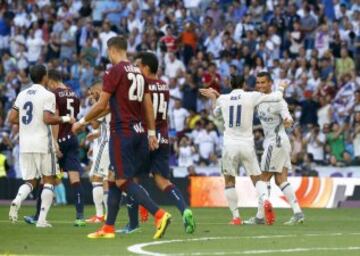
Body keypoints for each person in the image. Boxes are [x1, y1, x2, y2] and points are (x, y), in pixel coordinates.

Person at [72, 36, 171, 239]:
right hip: (139, 132)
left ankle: (159, 214)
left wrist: (81, 122)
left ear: (112, 50)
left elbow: (101, 104)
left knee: (122, 181)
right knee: (113, 177)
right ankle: (108, 227)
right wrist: (152, 132)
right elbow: (147, 105)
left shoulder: (114, 72)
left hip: (121, 133)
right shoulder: (138, 73)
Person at [119, 51, 195, 234]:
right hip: (163, 136)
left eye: (138, 66)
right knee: (163, 181)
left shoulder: (141, 86)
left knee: (132, 181)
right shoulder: (164, 86)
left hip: (146, 136)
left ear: (145, 67)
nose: (136, 69)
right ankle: (184, 209)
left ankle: (133, 224)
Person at [199, 75, 288, 225]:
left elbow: (215, 113)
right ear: (244, 84)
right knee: (257, 179)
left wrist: (214, 97)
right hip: (247, 144)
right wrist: (282, 87)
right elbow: (278, 97)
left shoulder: (224, 99)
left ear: (229, 84)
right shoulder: (251, 96)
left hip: (230, 145)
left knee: (229, 181)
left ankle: (236, 217)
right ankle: (265, 201)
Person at [8, 65, 75, 227]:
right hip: (42, 143)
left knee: (30, 181)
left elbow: (11, 118)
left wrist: (29, 122)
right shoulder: (48, 95)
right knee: (49, 180)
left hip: (25, 144)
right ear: (45, 77)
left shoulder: (22, 94)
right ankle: (42, 220)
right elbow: (47, 119)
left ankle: (17, 199)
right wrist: (65, 119)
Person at [24, 69, 86, 227]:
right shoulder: (74, 94)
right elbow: (74, 119)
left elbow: (55, 120)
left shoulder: (54, 95)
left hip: (59, 141)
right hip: (72, 139)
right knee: (75, 179)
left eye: (48, 83)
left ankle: (38, 215)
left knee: (47, 180)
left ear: (51, 81)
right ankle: (80, 216)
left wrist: (54, 142)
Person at [244, 72, 305, 225]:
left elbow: (287, 117)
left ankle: (259, 217)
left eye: (263, 82)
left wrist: (288, 121)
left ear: (270, 83)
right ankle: (298, 213)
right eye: (258, 82)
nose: (260, 85)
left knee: (262, 179)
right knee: (281, 180)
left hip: (276, 142)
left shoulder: (279, 101)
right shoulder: (258, 99)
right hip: (279, 142)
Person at [85, 82, 111, 223]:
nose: (91, 95)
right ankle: (107, 214)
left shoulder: (103, 103)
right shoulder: (112, 101)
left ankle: (100, 215)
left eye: (92, 92)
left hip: (106, 143)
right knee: (108, 180)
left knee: (96, 178)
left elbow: (94, 124)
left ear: (98, 90)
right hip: (115, 142)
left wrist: (94, 104)